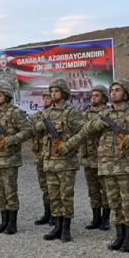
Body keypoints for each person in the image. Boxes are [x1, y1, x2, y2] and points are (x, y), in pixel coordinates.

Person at [59, 79, 129, 253]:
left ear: (125, 93)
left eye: (117, 90)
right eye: (112, 90)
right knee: (114, 202)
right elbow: (85, 132)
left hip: (126, 166)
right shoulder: (105, 115)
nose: (113, 93)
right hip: (106, 166)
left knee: (128, 203)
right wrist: (68, 145)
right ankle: (119, 236)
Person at [31, 79, 86, 242]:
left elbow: (84, 131)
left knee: (65, 195)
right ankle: (57, 226)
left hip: (65, 162)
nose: (52, 94)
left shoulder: (72, 112)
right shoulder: (46, 113)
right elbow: (35, 130)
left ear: (64, 93)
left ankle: (66, 228)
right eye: (51, 91)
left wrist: (69, 145)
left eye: (56, 91)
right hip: (49, 160)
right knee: (53, 195)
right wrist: (39, 127)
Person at [0, 83, 33, 235]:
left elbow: (28, 130)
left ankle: (12, 223)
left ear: (7, 96)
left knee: (10, 191)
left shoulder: (15, 113)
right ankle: (3, 221)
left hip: (9, 159)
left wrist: (13, 139)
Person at [80, 85, 110, 231]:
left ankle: (105, 219)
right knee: (93, 190)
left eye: (97, 95)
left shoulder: (107, 113)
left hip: (103, 158)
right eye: (92, 95)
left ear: (103, 98)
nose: (93, 98)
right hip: (88, 157)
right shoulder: (85, 114)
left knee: (106, 189)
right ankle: (95, 218)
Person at [30, 90, 53, 225]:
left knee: (54, 187)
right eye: (44, 97)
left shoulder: (57, 115)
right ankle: (47, 213)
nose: (45, 99)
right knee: (45, 187)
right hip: (40, 155)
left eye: (48, 97)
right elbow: (30, 130)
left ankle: (56, 215)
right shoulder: (37, 116)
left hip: (52, 155)